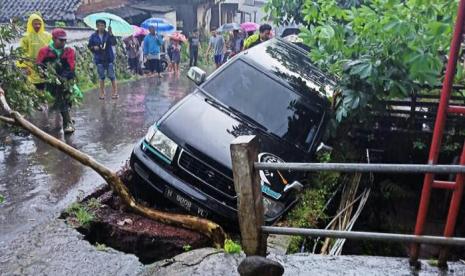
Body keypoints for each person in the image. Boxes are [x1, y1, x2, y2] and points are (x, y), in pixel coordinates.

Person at [36, 28, 76, 134]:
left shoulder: (69, 51)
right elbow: (39, 66)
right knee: (60, 99)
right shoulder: (45, 51)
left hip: (66, 80)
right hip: (51, 81)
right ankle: (67, 123)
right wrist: (45, 74)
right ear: (53, 39)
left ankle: (67, 119)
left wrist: (63, 78)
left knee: (67, 100)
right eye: (60, 40)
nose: (63, 42)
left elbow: (71, 67)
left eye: (64, 40)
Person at [17, 13, 52, 91]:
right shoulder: (25, 37)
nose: (37, 26)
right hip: (31, 67)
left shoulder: (47, 36)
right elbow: (21, 52)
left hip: (44, 66)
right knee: (32, 88)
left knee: (44, 85)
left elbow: (52, 49)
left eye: (39, 24)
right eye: (35, 24)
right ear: (30, 24)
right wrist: (24, 67)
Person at [88, 19, 118, 99]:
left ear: (105, 26)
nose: (101, 27)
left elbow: (114, 43)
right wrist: (94, 48)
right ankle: (102, 93)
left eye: (102, 25)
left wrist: (111, 34)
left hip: (108, 58)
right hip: (99, 59)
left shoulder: (108, 34)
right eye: (99, 25)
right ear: (97, 26)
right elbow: (89, 46)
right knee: (101, 77)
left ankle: (115, 92)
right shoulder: (93, 36)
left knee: (112, 76)